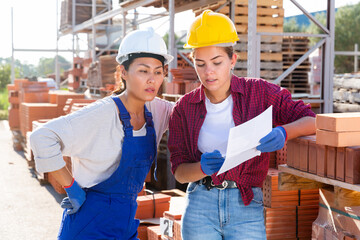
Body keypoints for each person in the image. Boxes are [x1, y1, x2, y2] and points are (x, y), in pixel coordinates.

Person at [168, 10, 316, 240]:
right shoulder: (183, 109)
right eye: (200, 63)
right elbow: (179, 171)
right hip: (200, 206)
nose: (209, 72)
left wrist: (284, 132)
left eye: (217, 62)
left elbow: (312, 120)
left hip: (246, 204)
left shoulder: (261, 93)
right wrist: (202, 168)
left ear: (232, 59)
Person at [30, 27, 174, 239]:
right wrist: (72, 188)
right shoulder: (102, 113)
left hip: (125, 224)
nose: (152, 79)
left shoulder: (158, 110)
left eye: (158, 71)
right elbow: (41, 137)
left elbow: (194, 112)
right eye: (143, 70)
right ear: (123, 72)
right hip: (89, 225)